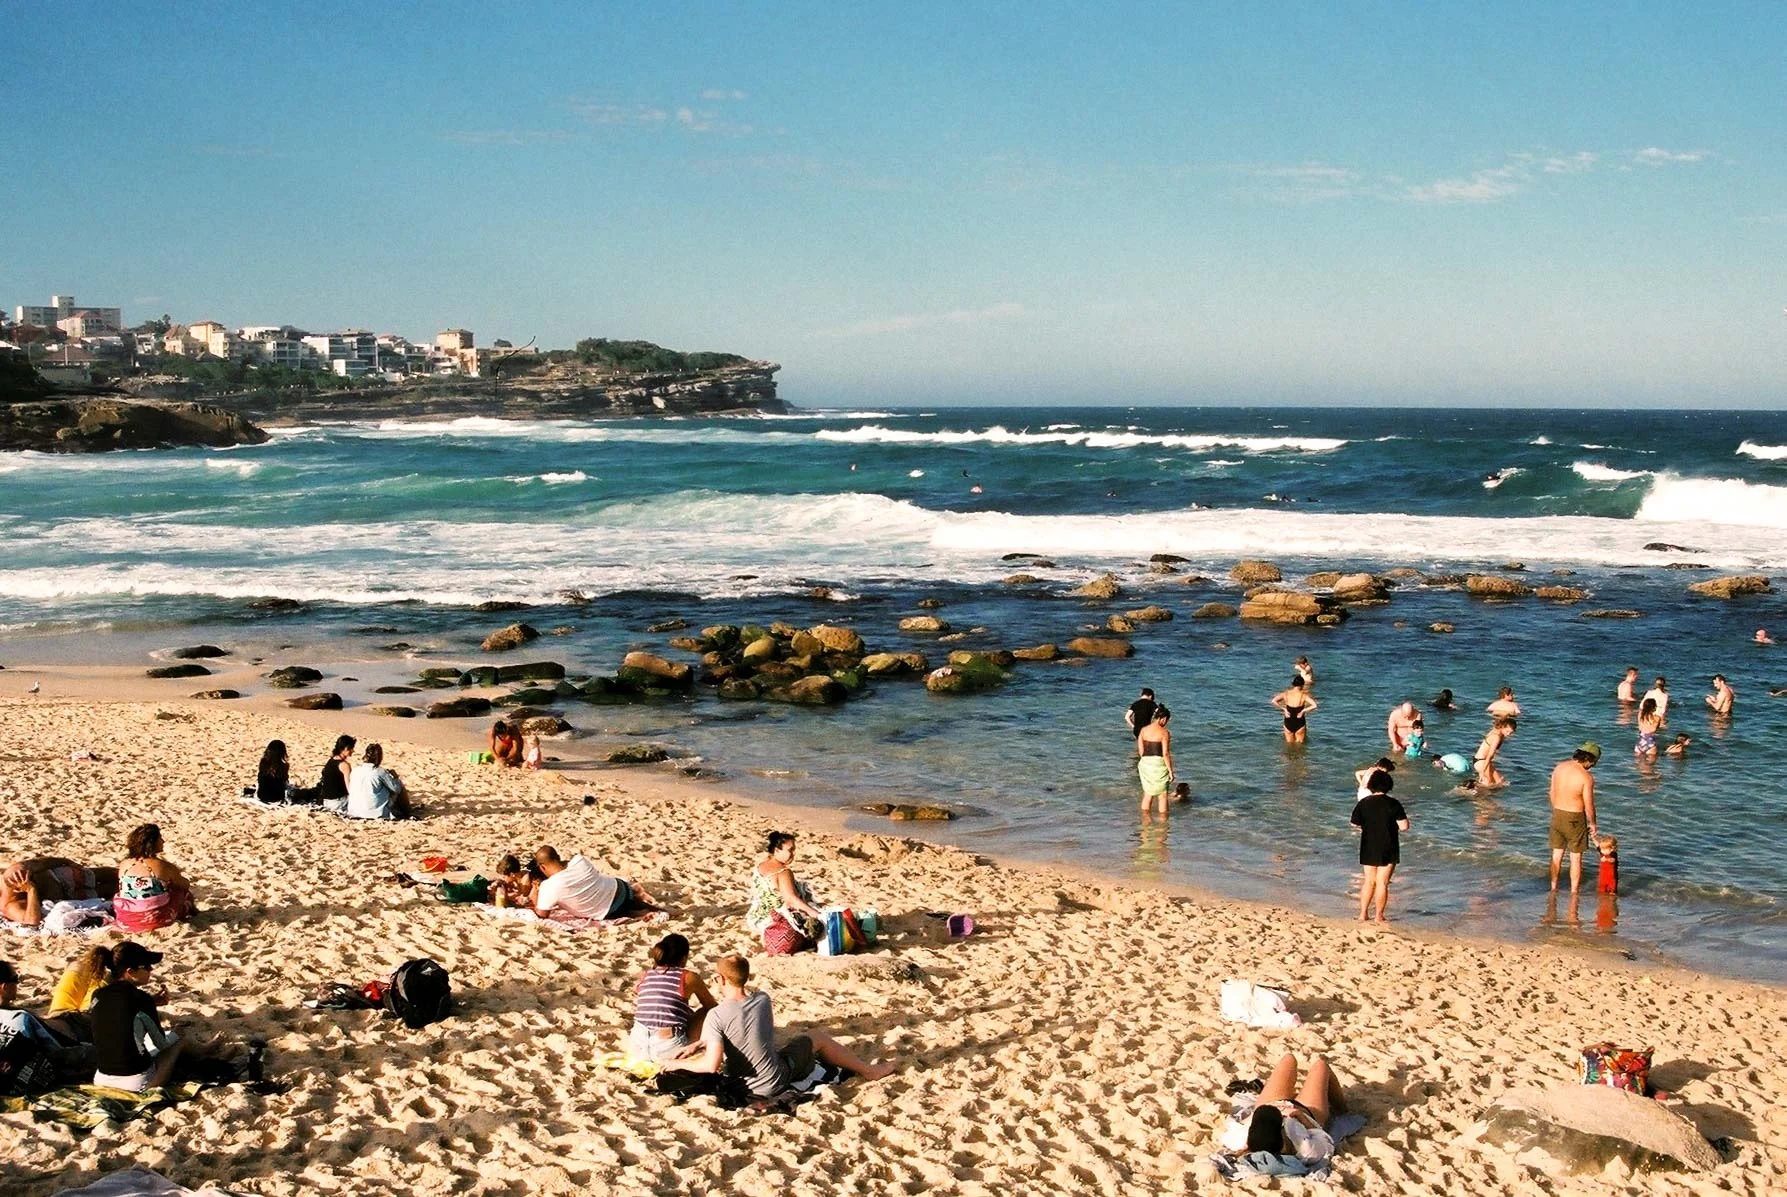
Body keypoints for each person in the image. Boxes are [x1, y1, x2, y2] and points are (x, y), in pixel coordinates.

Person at [660, 954, 894, 1097]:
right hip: (775, 1076)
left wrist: (672, 1063)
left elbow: (711, 1066)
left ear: (720, 980)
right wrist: (700, 1043)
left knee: (810, 1039)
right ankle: (867, 1070)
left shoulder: (716, 1016)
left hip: (744, 1085)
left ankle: (869, 1072)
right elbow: (744, 1029)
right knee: (815, 1037)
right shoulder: (762, 1000)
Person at [1217, 1053, 1351, 1175]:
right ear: (1282, 1131)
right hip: (1306, 1111)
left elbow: (1238, 1123)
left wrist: (1244, 1146)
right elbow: (1322, 1136)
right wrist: (1300, 1116)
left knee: (1289, 1059)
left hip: (1271, 1103)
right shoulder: (1306, 1149)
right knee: (1321, 1066)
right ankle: (1343, 1109)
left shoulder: (1237, 1140)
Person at [89, 943, 182, 1092]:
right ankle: (207, 1048)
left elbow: (116, 1014)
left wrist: (152, 1002)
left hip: (101, 1078)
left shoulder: (97, 995)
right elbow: (161, 1044)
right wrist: (176, 1033)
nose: (151, 970)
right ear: (130, 972)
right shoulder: (142, 999)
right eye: (146, 966)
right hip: (136, 1081)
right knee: (179, 1042)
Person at [628, 933, 718, 1062]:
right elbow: (712, 1006)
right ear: (684, 958)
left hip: (637, 1046)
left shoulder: (647, 975)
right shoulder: (688, 977)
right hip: (668, 1048)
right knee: (705, 1012)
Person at [744, 832, 826, 949]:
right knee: (820, 912)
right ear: (777, 850)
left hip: (757, 917)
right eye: (790, 850)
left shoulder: (761, 866)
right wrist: (816, 914)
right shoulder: (783, 872)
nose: (793, 854)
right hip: (776, 917)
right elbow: (791, 899)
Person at [533, 846, 656, 922]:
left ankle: (637, 913)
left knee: (612, 907)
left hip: (610, 911)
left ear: (542, 867)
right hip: (623, 889)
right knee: (617, 897)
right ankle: (647, 909)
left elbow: (541, 915)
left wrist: (535, 893)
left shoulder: (548, 886)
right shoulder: (580, 860)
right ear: (558, 857)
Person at [114, 825, 196, 933]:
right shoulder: (163, 866)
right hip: (155, 920)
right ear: (152, 842)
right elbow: (184, 884)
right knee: (183, 893)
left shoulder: (124, 864)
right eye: (160, 838)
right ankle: (192, 914)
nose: (163, 841)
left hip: (126, 919)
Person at [1350, 771, 1408, 922]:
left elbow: (1354, 823)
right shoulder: (1394, 803)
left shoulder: (1364, 802)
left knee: (1369, 880)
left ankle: (1363, 914)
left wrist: (1366, 826)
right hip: (1389, 844)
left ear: (1371, 785)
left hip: (1368, 843)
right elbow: (1404, 826)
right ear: (1388, 785)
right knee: (1382, 882)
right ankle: (1379, 916)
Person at [0, 859, 118, 929]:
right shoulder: (8, 905)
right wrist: (31, 890)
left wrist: (65, 862)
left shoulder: (12, 873)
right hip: (63, 893)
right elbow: (32, 921)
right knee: (109, 889)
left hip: (58, 877)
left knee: (111, 874)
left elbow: (40, 862)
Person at [1548, 743, 1601, 894]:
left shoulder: (1559, 767)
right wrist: (1593, 823)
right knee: (1575, 857)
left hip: (1557, 813)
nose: (1593, 766)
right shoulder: (1586, 777)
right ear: (1589, 759)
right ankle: (1574, 891)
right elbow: (1589, 805)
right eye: (1594, 762)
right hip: (1575, 817)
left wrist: (1557, 809)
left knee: (1556, 854)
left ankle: (1553, 887)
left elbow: (1551, 793)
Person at [345, 743, 410, 820]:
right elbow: (396, 789)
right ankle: (407, 812)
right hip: (375, 812)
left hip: (354, 811)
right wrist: (395, 777)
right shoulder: (380, 772)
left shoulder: (355, 770)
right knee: (398, 785)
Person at [1136, 706, 1175, 812]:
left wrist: (1147, 762)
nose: (1166, 723)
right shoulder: (1164, 732)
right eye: (1166, 720)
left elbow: (1141, 751)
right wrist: (1170, 771)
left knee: (1147, 794)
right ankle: (1163, 821)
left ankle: (1145, 819)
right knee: (1162, 795)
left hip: (1145, 763)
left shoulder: (1143, 730)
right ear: (1163, 718)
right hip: (1158, 764)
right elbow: (1165, 753)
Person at [1270, 678, 1317, 745]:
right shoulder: (1303, 695)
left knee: (1289, 744)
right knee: (1299, 745)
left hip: (1288, 720)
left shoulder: (1286, 694)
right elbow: (1314, 705)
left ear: (1293, 684)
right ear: (1302, 685)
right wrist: (1303, 711)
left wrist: (1284, 709)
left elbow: (1273, 701)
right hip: (1299, 720)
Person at [318, 735, 356, 813]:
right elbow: (350, 788)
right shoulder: (344, 765)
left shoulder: (331, 761)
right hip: (338, 802)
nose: (353, 750)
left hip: (327, 801)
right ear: (345, 748)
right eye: (351, 748)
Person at [1473, 718, 1514, 788]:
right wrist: (1483, 771)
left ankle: (1473, 787)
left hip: (1482, 760)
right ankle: (1464, 790)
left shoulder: (1497, 730)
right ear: (1502, 727)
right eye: (1507, 731)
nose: (1508, 734)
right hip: (1481, 761)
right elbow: (1490, 755)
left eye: (1511, 732)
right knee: (1488, 785)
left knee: (1500, 782)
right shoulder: (1496, 737)